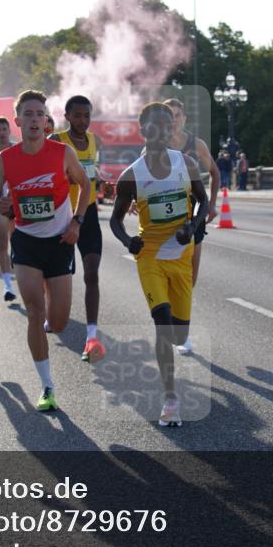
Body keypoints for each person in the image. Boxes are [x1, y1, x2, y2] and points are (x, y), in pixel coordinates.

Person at [0, 90, 90, 412]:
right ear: (17, 121)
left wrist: (77, 223)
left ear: (46, 121)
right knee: (35, 312)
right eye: (27, 114)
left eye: (39, 113)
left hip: (59, 242)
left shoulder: (62, 152)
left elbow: (84, 185)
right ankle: (47, 386)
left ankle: (48, 300)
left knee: (58, 322)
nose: (34, 119)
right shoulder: (5, 160)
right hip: (26, 242)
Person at [110, 102, 209, 427]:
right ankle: (170, 399)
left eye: (168, 125)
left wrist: (192, 227)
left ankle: (173, 375)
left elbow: (202, 201)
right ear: (143, 129)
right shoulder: (131, 176)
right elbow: (115, 221)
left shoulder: (187, 163)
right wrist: (128, 242)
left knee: (179, 336)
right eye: (155, 125)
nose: (163, 131)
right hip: (149, 257)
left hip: (181, 258)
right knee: (163, 324)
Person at [50, 95, 106, 362]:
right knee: (58, 275)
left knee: (92, 273)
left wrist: (100, 179)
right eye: (78, 115)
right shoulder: (57, 141)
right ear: (67, 116)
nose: (83, 120)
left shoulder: (94, 141)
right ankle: (52, 312)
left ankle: (91, 335)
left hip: (89, 214)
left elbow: (92, 171)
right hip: (62, 215)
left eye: (87, 115)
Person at [162, 98, 219, 355]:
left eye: (176, 115)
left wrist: (214, 204)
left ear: (184, 118)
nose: (173, 120)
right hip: (164, 217)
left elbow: (215, 173)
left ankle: (180, 319)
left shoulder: (196, 144)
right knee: (166, 274)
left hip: (194, 215)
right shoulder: (156, 145)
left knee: (190, 276)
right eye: (168, 116)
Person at [0, 116, 17, 301]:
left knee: (18, 244)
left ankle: (21, 277)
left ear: (9, 131)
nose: (1, 133)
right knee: (2, 244)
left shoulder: (18, 149)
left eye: (4, 129)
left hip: (19, 204)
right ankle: (8, 286)